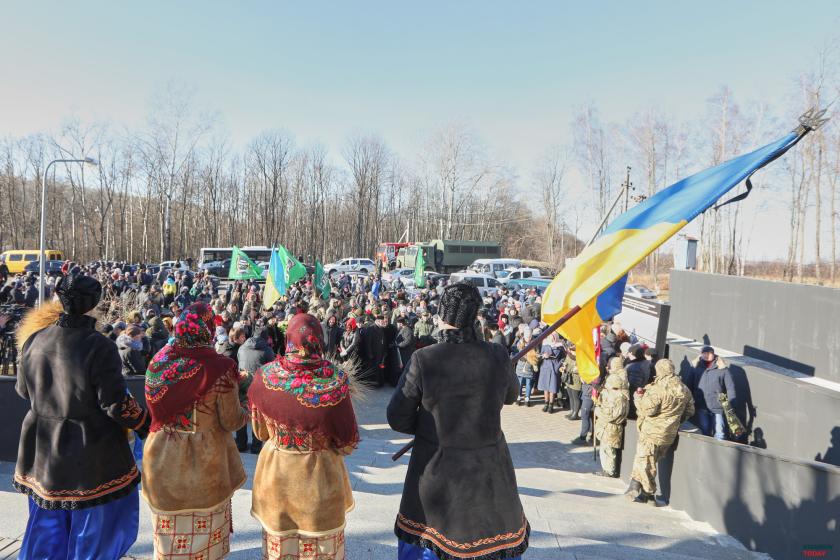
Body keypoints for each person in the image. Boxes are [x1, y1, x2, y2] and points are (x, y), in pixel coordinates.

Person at [387, 283, 529, 560]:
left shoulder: (424, 359)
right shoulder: (497, 354)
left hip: (436, 472)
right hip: (489, 473)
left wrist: (430, 427)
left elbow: (397, 417)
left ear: (442, 316)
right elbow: (511, 395)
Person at [14, 271, 150, 559]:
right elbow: (115, 404)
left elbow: (24, 391)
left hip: (42, 450)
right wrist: (145, 423)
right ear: (94, 304)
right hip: (89, 453)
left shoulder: (35, 339)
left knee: (47, 526)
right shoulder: (99, 345)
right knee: (94, 530)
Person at [248, 313, 359, 560]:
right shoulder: (336, 379)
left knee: (280, 551)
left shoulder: (265, 377)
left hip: (276, 479)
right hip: (320, 483)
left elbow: (259, 432)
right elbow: (347, 443)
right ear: (319, 340)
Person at [142, 302, 248, 560]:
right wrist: (245, 404)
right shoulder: (220, 368)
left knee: (169, 544)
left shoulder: (158, 362)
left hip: (162, 461)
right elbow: (232, 421)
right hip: (205, 467)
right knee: (204, 546)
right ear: (208, 328)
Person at [627, 359, 695, 504]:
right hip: (669, 435)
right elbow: (690, 410)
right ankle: (642, 492)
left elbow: (648, 410)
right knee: (649, 461)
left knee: (644, 461)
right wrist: (675, 421)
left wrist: (637, 398)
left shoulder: (658, 388)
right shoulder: (684, 389)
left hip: (651, 432)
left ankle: (647, 491)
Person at [690, 345, 736, 441]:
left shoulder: (722, 369)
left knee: (720, 433)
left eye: (709, 353)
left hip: (718, 406)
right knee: (705, 430)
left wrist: (731, 402)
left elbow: (730, 387)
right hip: (701, 404)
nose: (707, 355)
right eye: (704, 353)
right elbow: (689, 385)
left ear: (713, 354)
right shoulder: (695, 367)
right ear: (701, 354)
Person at [594, 357, 630, 478]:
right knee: (606, 448)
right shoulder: (617, 393)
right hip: (608, 426)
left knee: (608, 449)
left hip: (611, 427)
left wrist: (598, 411)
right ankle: (607, 468)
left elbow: (612, 415)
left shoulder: (618, 397)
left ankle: (609, 470)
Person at [537, 332, 565, 413]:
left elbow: (563, 358)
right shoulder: (545, 344)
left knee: (552, 388)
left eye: (553, 337)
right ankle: (546, 403)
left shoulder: (559, 347)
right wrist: (542, 356)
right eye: (550, 337)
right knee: (545, 387)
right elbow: (541, 354)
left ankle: (551, 405)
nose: (551, 338)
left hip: (554, 368)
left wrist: (558, 366)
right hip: (545, 367)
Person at [514, 327, 539, 407]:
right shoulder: (519, 343)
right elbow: (517, 352)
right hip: (521, 365)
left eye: (529, 336)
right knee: (520, 383)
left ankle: (527, 398)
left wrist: (535, 358)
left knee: (529, 383)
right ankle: (518, 396)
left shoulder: (535, 343)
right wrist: (527, 356)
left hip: (529, 366)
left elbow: (537, 353)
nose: (528, 338)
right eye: (527, 336)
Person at [563, 344, 582, 420]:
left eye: (573, 350)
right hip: (569, 379)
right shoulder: (569, 355)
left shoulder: (580, 358)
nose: (571, 352)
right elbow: (565, 363)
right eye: (571, 350)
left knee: (575, 397)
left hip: (576, 380)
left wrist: (570, 369)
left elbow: (577, 370)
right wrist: (563, 366)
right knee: (570, 396)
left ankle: (575, 413)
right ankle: (572, 411)